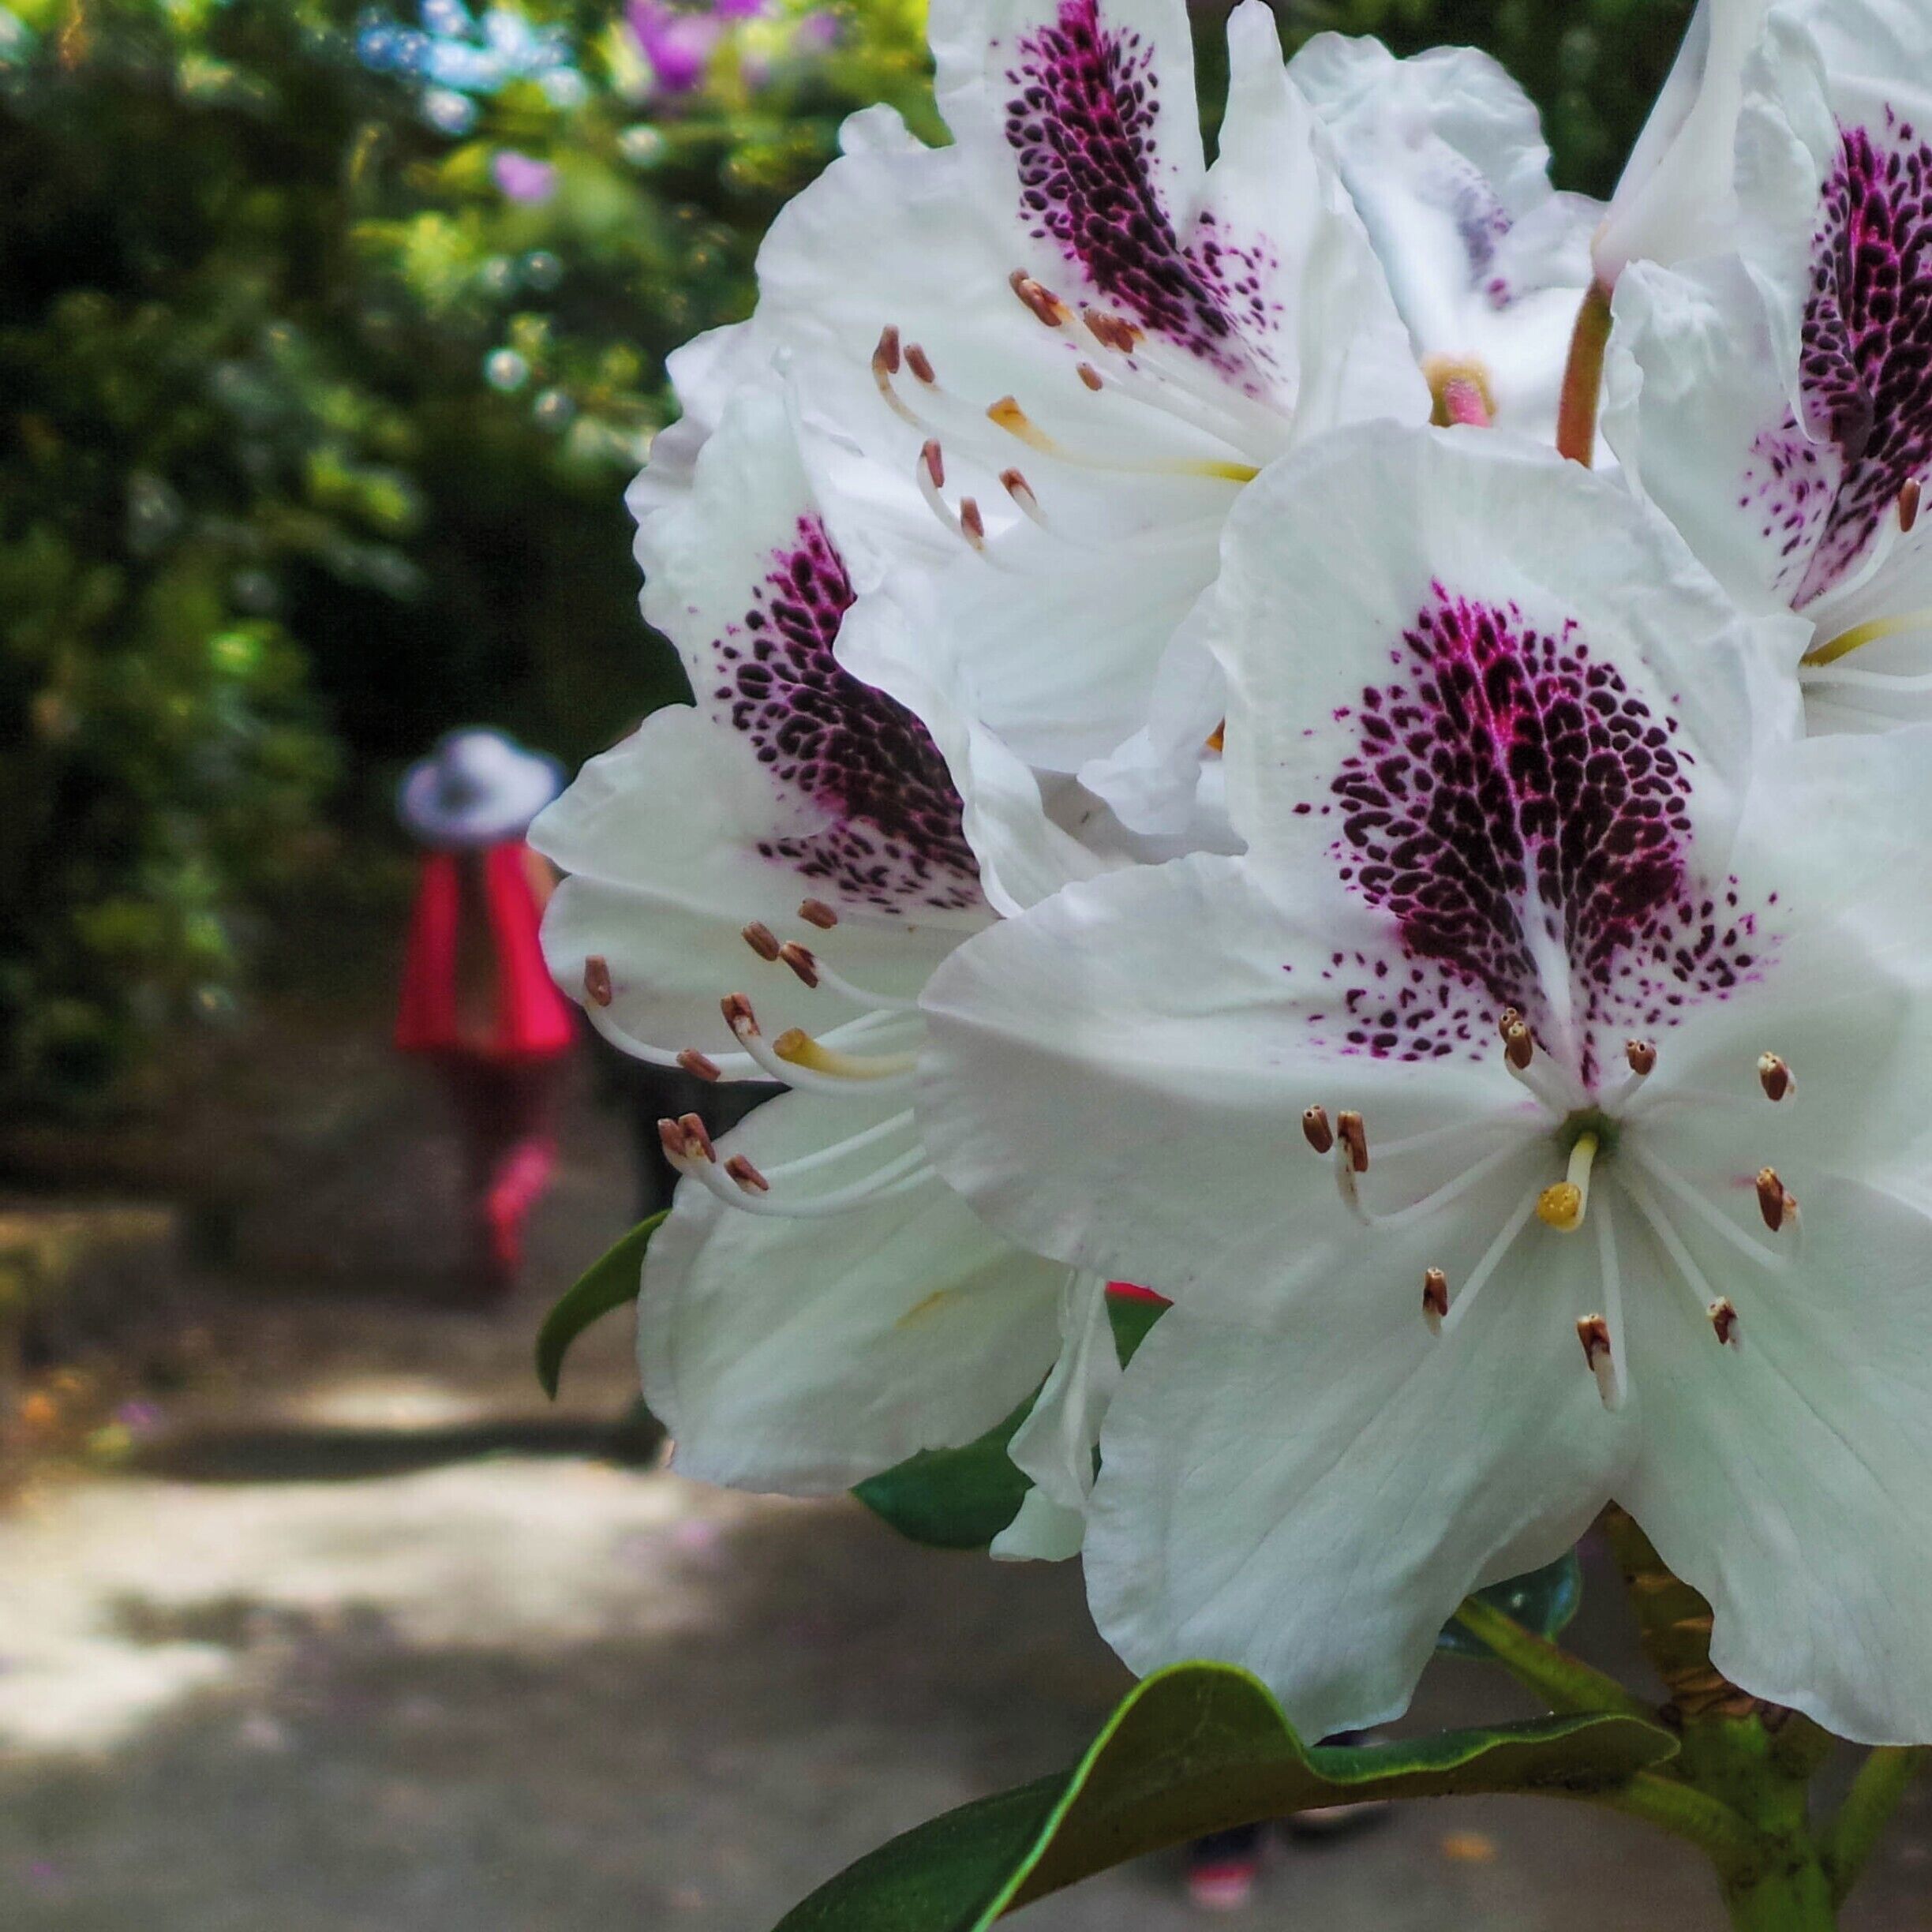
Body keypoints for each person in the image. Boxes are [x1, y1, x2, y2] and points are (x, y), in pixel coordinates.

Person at [394, 728, 576, 1293]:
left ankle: (485, 1254)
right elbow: (560, 933)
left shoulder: (438, 870)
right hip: (527, 1032)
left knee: (479, 1142)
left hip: (451, 1032)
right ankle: (505, 1204)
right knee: (532, 1140)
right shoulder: (527, 861)